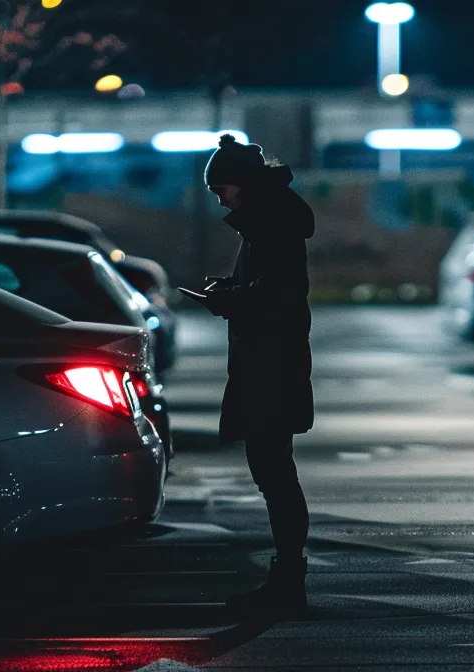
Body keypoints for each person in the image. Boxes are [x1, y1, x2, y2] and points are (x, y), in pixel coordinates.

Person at [199, 134, 317, 617]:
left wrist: (234, 300)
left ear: (244, 185)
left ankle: (288, 584)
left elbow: (280, 294)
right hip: (271, 363)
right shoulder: (270, 222)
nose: (220, 199)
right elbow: (272, 288)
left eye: (222, 189)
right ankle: (287, 580)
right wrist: (234, 290)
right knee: (274, 473)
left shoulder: (273, 226)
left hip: (272, 366)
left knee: (275, 474)